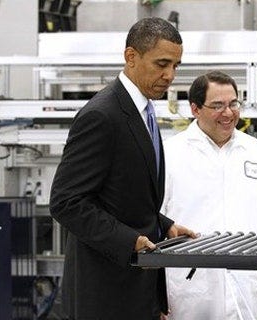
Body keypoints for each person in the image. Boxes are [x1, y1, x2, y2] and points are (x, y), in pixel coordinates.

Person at [49, 17, 196, 319]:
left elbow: (124, 192)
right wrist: (129, 241)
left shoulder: (143, 110)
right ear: (131, 57)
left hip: (136, 290)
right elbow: (66, 203)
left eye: (176, 66)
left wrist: (162, 224)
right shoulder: (103, 116)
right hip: (106, 293)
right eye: (162, 64)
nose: (170, 75)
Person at [162, 70, 257, 319]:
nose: (228, 113)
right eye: (217, 105)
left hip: (246, 285)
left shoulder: (255, 151)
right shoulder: (171, 153)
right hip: (188, 291)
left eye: (233, 104)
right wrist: (153, 295)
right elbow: (153, 220)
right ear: (195, 109)